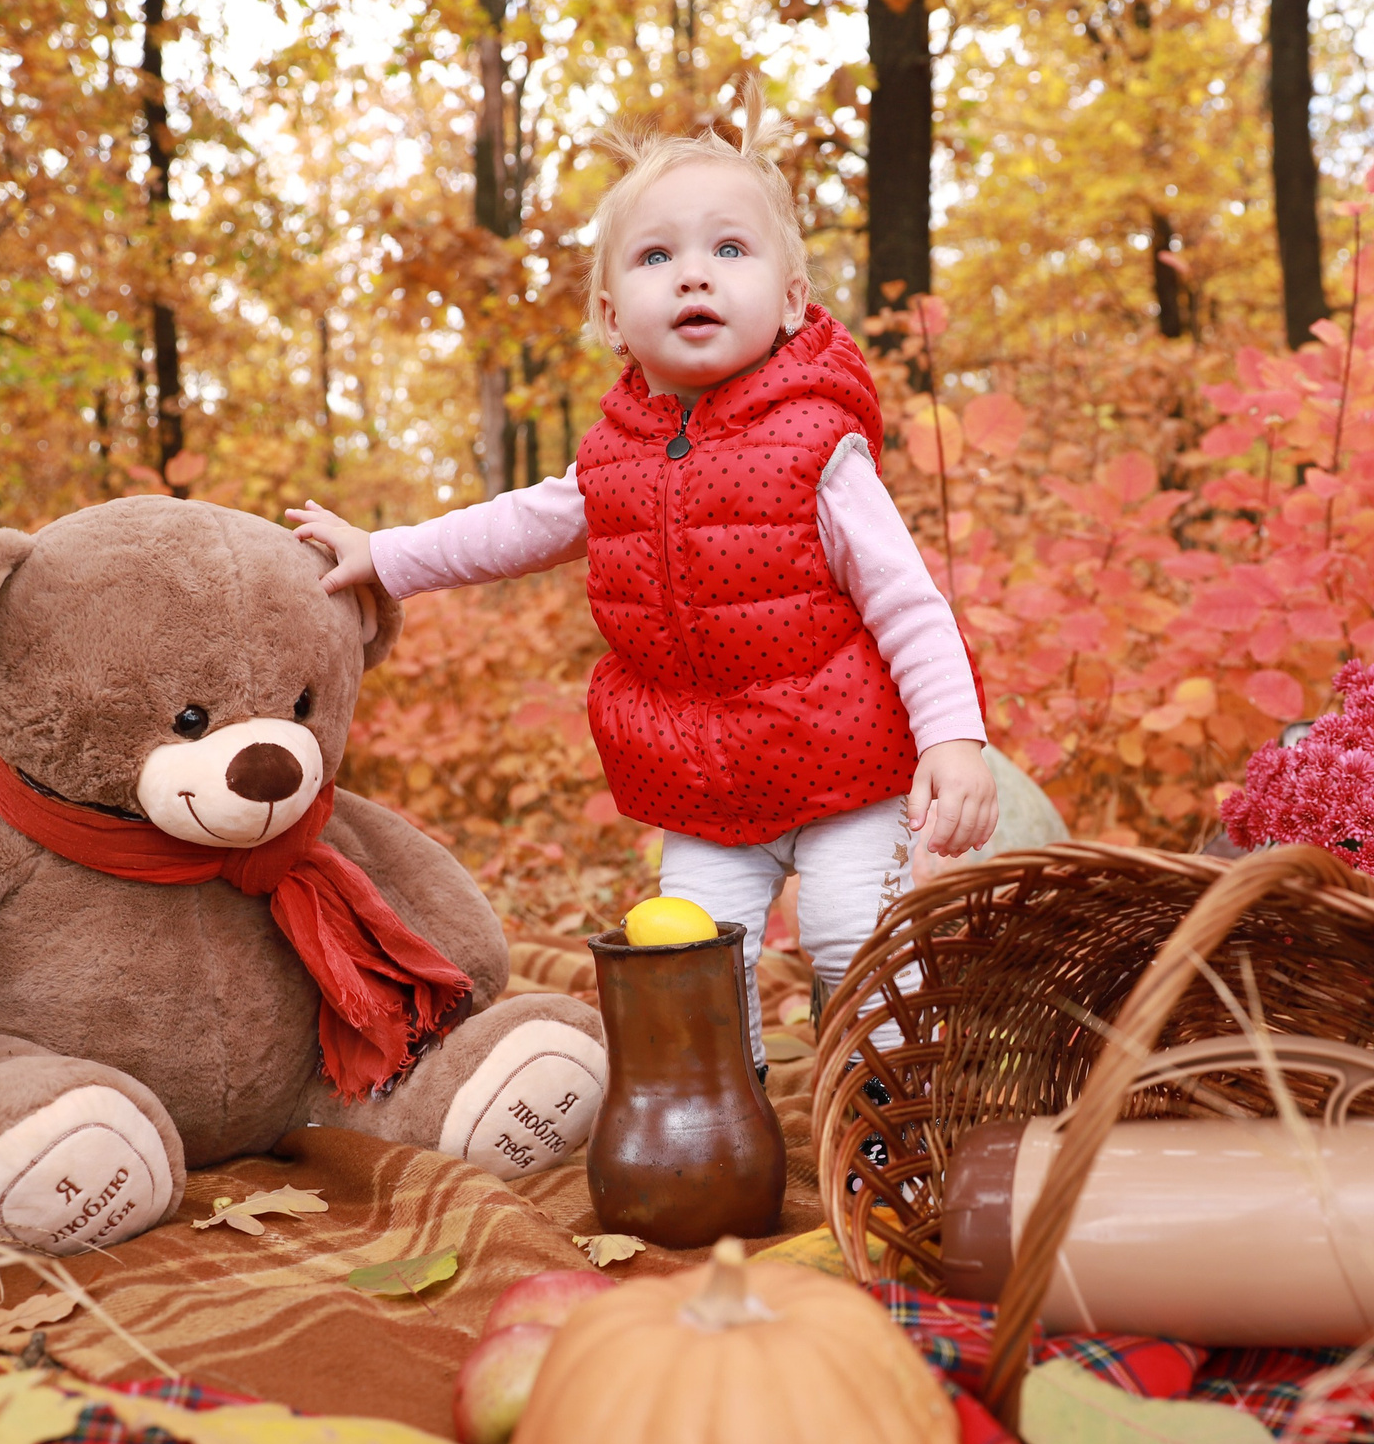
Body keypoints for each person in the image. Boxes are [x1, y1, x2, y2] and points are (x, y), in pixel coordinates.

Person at [289, 93, 994, 1067]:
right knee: (692, 954)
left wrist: (952, 743)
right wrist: (389, 553)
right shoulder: (611, 461)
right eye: (657, 256)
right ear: (617, 319)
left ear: (792, 302)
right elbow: (512, 528)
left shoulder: (820, 449)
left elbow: (909, 605)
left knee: (849, 936)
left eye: (729, 251)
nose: (694, 274)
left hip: (850, 770)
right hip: (705, 779)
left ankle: (890, 1104)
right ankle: (721, 1112)